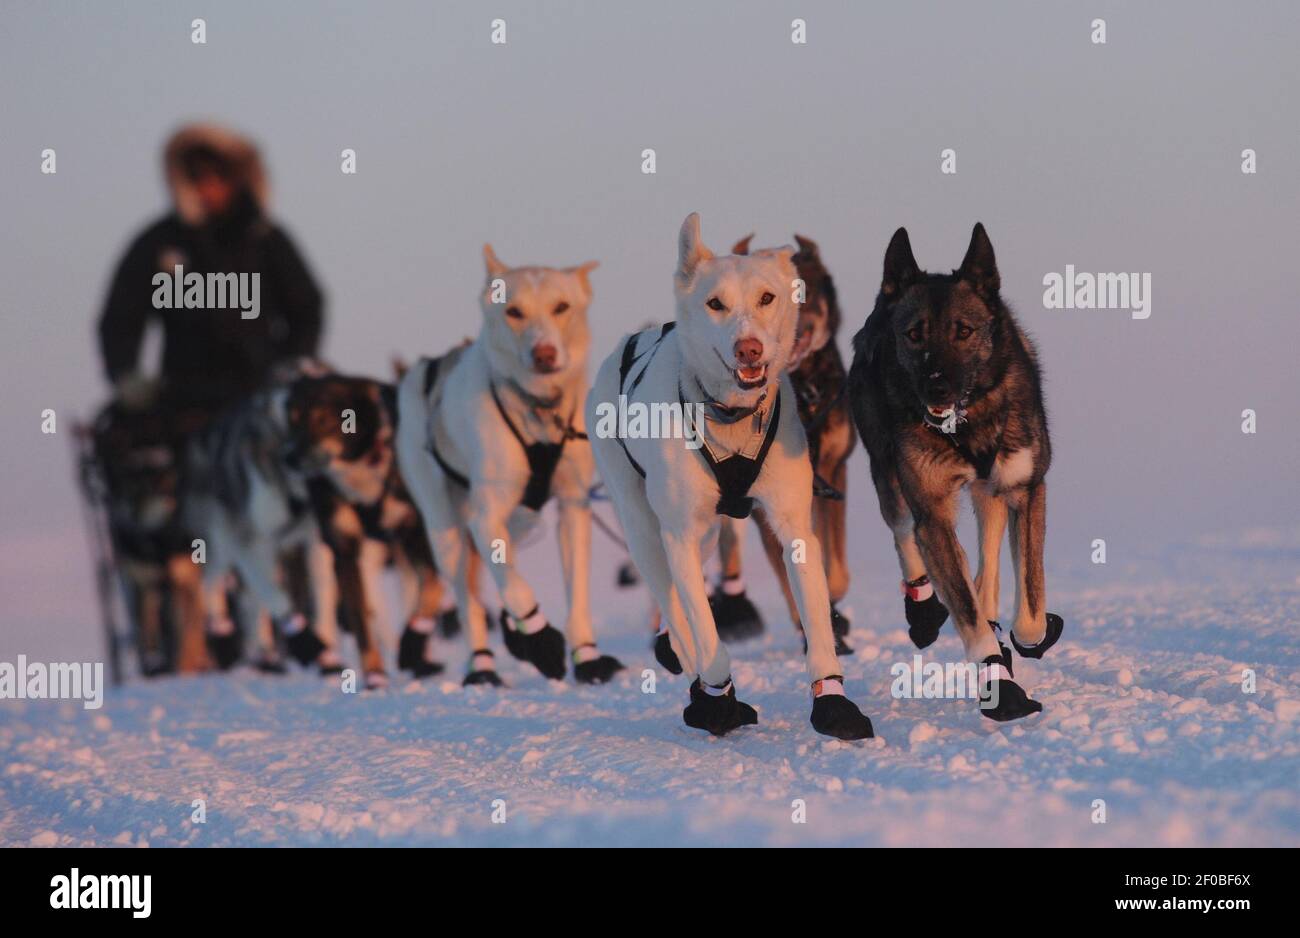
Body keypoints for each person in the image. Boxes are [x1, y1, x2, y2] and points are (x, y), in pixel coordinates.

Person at [98, 123, 324, 414]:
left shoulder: (264, 241)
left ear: (239, 178)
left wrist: (292, 365)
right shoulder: (160, 244)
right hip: (182, 401)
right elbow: (120, 318)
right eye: (197, 175)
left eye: (219, 175)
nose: (209, 187)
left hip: (258, 396)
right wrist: (126, 376)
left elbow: (307, 307)